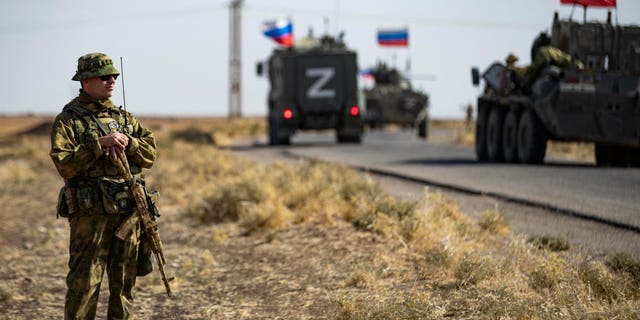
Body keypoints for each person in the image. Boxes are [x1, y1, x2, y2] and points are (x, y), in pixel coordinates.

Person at [50, 53, 157, 320]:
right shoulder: (69, 120)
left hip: (127, 214)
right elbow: (64, 164)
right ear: (86, 81)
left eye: (114, 77)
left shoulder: (125, 119)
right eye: (104, 76)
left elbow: (149, 156)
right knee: (84, 285)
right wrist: (99, 145)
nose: (111, 81)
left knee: (124, 286)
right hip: (90, 216)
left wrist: (128, 142)